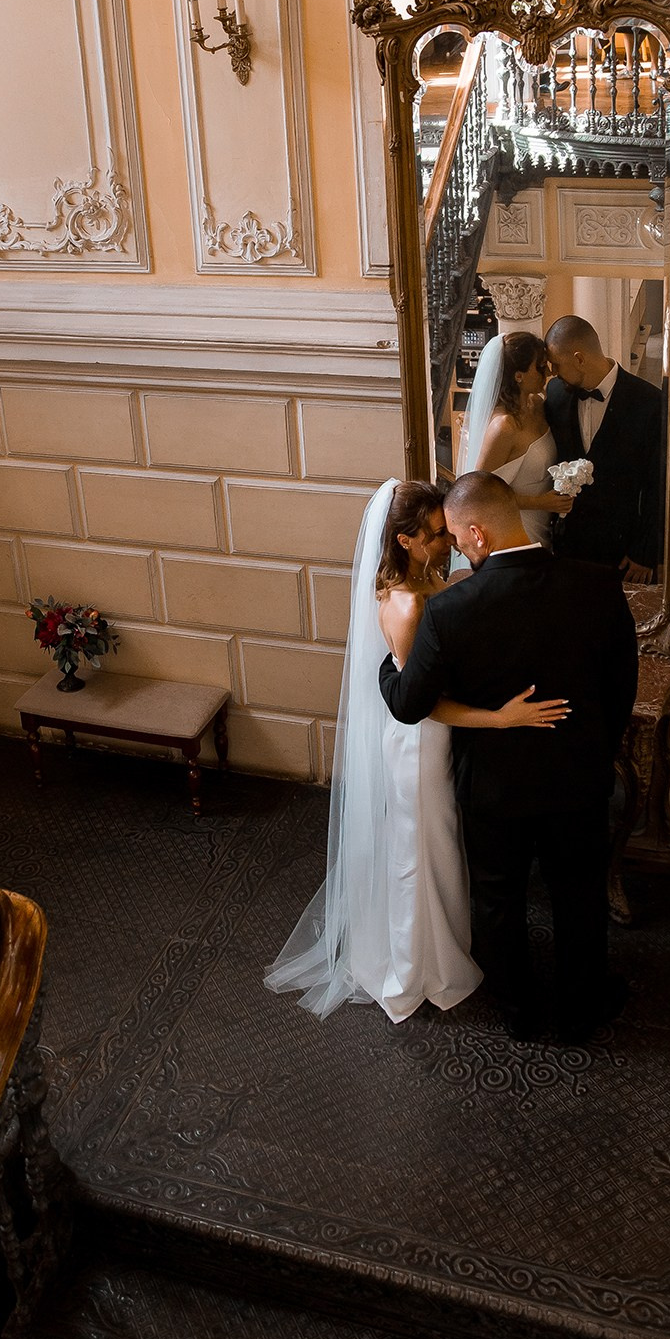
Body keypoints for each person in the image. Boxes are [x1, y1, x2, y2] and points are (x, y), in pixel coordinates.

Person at [265, 479, 569, 1022]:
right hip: (421, 744)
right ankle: (417, 967)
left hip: (441, 738)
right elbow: (423, 705)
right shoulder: (405, 605)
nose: (447, 542)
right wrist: (501, 719)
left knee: (442, 847)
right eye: (433, 534)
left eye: (445, 531)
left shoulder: (431, 580)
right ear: (404, 541)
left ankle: (446, 946)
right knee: (421, 851)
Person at [379, 472, 638, 1041]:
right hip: (578, 777)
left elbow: (408, 704)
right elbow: (622, 688)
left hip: (496, 786)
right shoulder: (598, 585)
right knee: (580, 895)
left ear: (477, 533)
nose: (456, 548)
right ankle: (582, 1007)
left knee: (499, 897)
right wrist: (592, 748)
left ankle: (518, 1010)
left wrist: (388, 667)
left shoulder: (451, 610)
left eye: (456, 537)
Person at [544, 315, 663, 584]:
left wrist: (645, 551)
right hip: (567, 549)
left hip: (623, 554)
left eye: (556, 364)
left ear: (579, 359)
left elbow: (659, 484)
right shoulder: (555, 393)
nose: (552, 372)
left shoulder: (649, 403)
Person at [458, 332, 573, 547]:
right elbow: (481, 493)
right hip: (518, 528)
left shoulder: (537, 404)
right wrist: (540, 503)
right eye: (540, 367)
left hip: (547, 523)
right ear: (518, 376)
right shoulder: (503, 427)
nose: (549, 372)